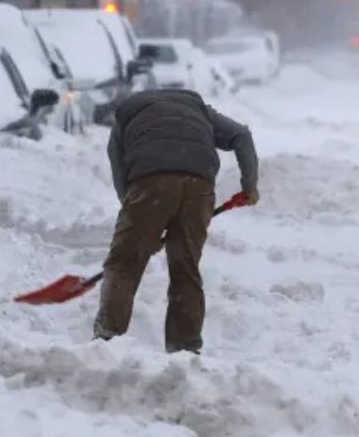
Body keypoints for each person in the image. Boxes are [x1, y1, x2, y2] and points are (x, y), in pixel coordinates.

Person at [95, 89, 259, 354]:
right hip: (198, 185)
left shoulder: (125, 117)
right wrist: (249, 186)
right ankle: (185, 349)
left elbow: (120, 174)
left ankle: (107, 342)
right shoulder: (199, 110)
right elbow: (242, 135)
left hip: (150, 182)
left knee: (123, 264)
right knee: (185, 268)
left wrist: (143, 227)